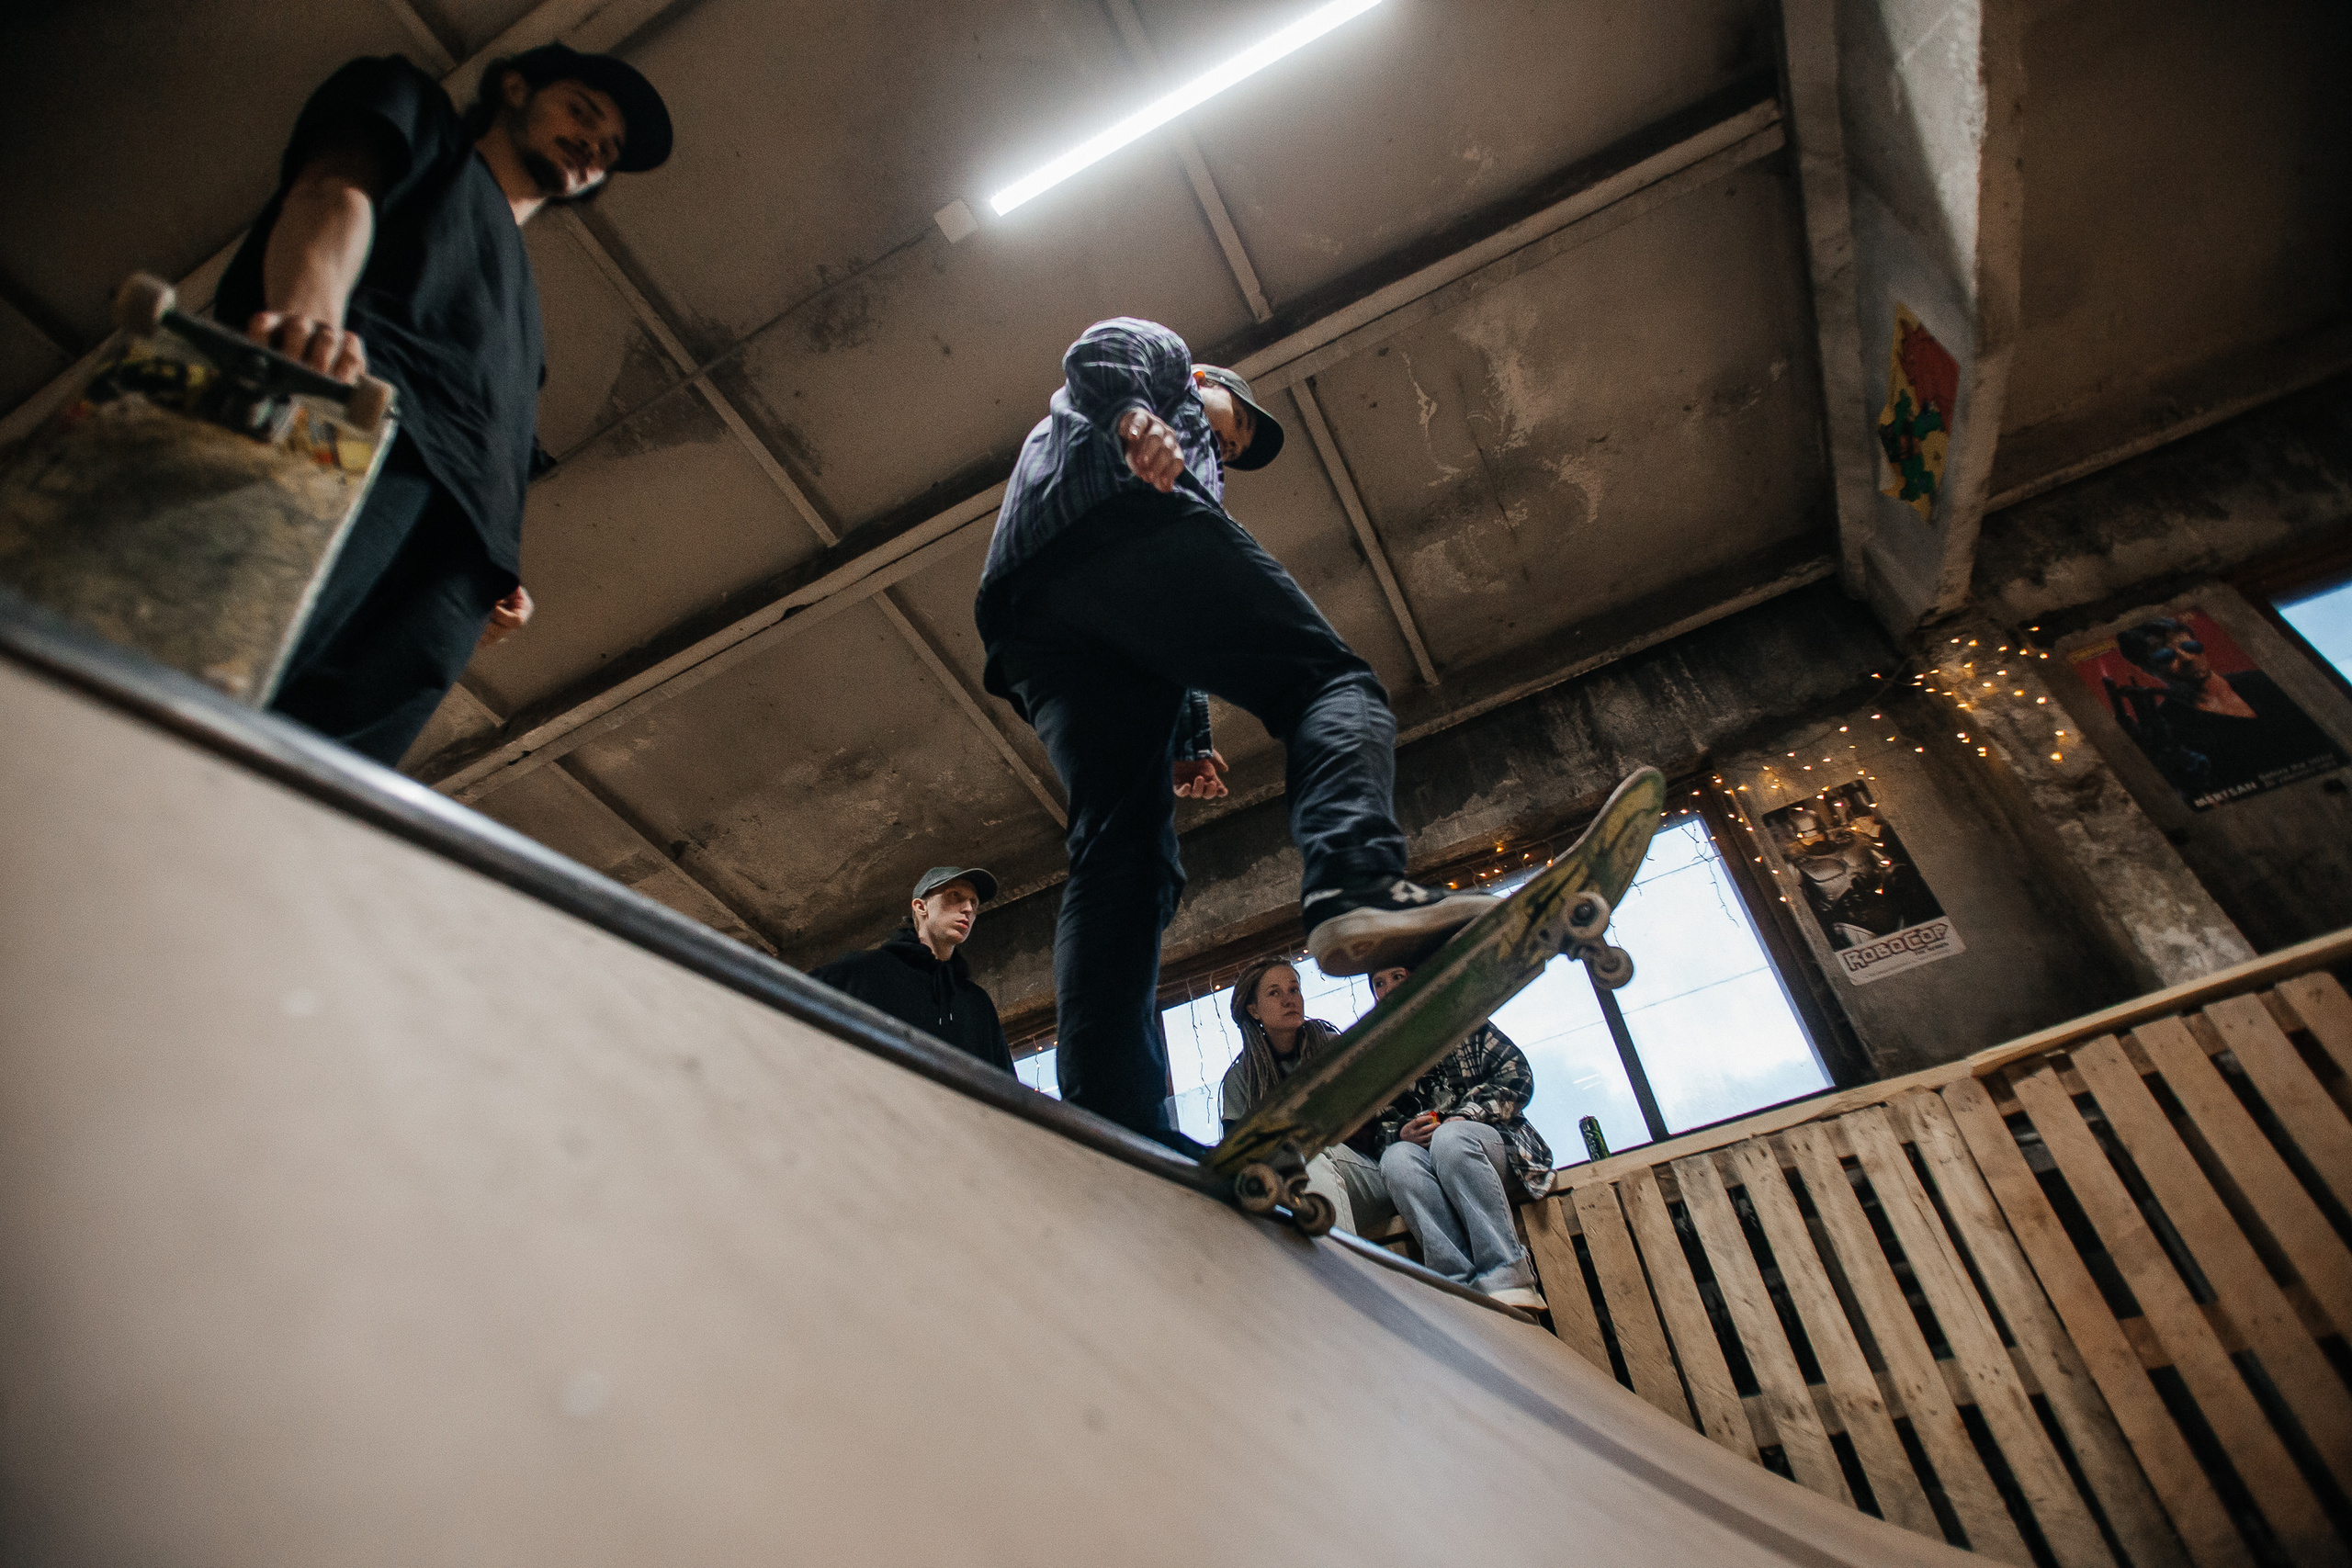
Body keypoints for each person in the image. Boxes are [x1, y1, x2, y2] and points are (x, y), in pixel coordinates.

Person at [974, 317, 1493, 1153]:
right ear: (1206, 382)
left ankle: (1116, 1112)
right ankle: (1358, 880)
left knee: (1125, 855)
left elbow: (1165, 631)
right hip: (1121, 524)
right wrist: (1138, 419)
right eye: (1237, 423)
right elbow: (1099, 350)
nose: (1232, 442)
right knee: (1330, 682)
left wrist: (1188, 734)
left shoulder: (1155, 465)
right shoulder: (1165, 378)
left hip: (1030, 616)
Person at [215, 44, 674, 764]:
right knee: (202, 672)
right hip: (349, 430)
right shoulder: (420, 118)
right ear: (515, 88)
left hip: (450, 580)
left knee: (307, 782)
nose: (594, 144)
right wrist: (310, 320)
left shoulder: (528, 331)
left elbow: (495, 450)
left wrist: (491, 571)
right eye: (582, 111)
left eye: (610, 147)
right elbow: (334, 191)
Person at [1363, 964, 1554, 1310]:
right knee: (1396, 1160)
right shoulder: (1384, 1057)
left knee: (1451, 1138)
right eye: (1378, 983)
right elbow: (1379, 1130)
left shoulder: (1464, 1024)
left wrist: (1466, 1114)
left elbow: (1518, 1076)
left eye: (1397, 977)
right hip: (1435, 1163)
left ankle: (1508, 1275)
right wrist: (1401, 1133)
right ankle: (1456, 1284)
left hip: (1498, 1148)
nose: (1387, 988)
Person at [1217, 957, 1394, 1235]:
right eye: (1275, 993)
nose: (1290, 1000)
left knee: (1310, 1157)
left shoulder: (1331, 1048)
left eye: (1294, 989)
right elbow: (1238, 1160)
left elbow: (1370, 1127)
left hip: (1366, 1174)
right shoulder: (1241, 1079)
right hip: (1286, 1191)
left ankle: (1339, 1270)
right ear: (1253, 1010)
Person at [2107, 615, 2345, 806]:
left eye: (2189, 646)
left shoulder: (2262, 682)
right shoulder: (2169, 724)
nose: (2188, 658)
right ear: (2149, 669)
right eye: (2165, 656)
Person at [811, 867, 1015, 1076]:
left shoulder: (977, 1003)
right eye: (955, 896)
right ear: (921, 907)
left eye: (974, 903)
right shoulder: (869, 971)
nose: (968, 909)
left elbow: (1007, 1086)